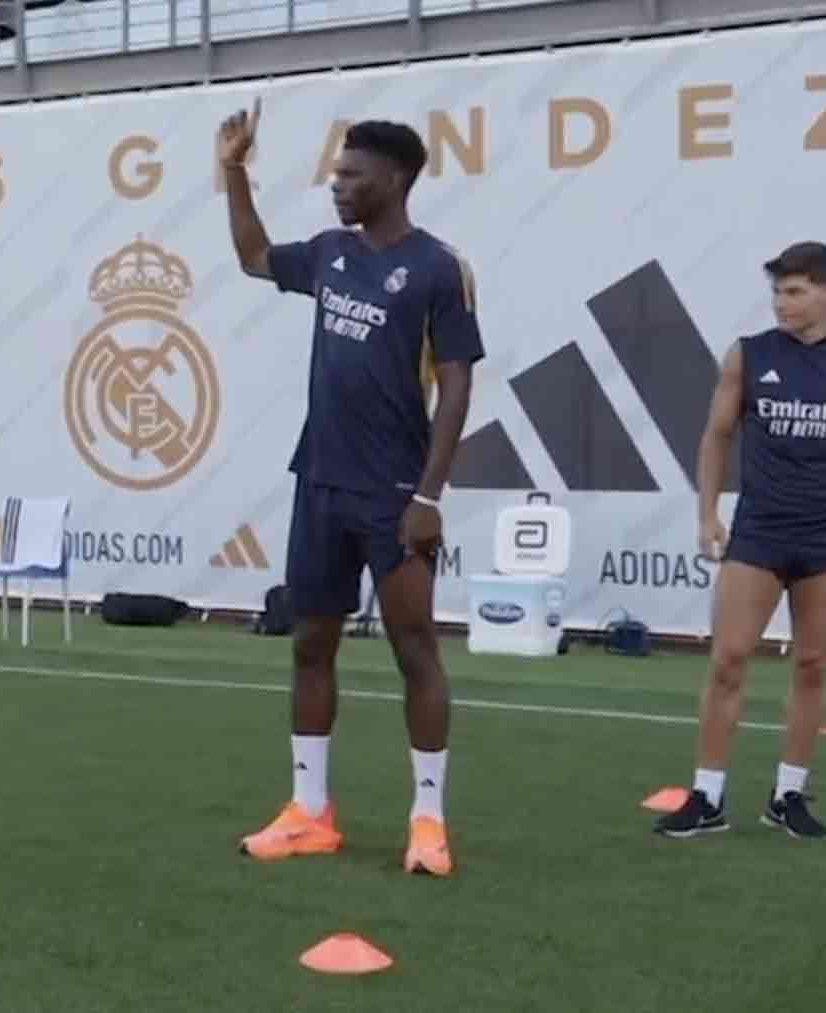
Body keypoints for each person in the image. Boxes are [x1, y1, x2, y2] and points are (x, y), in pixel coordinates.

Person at [219, 101, 484, 876]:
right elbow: (253, 256)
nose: (336, 186)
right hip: (321, 482)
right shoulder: (331, 253)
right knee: (311, 642)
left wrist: (429, 496)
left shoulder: (438, 268)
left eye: (351, 175)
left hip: (395, 493)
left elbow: (460, 385)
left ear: (394, 180)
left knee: (415, 650)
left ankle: (428, 823)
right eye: (335, 173)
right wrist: (233, 168)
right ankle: (310, 812)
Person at [654, 241, 826, 841]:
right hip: (760, 528)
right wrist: (707, 513)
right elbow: (716, 437)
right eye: (776, 291)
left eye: (794, 292)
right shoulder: (747, 356)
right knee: (729, 658)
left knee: (813, 664)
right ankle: (708, 796)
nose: (781, 303)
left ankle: (788, 794)